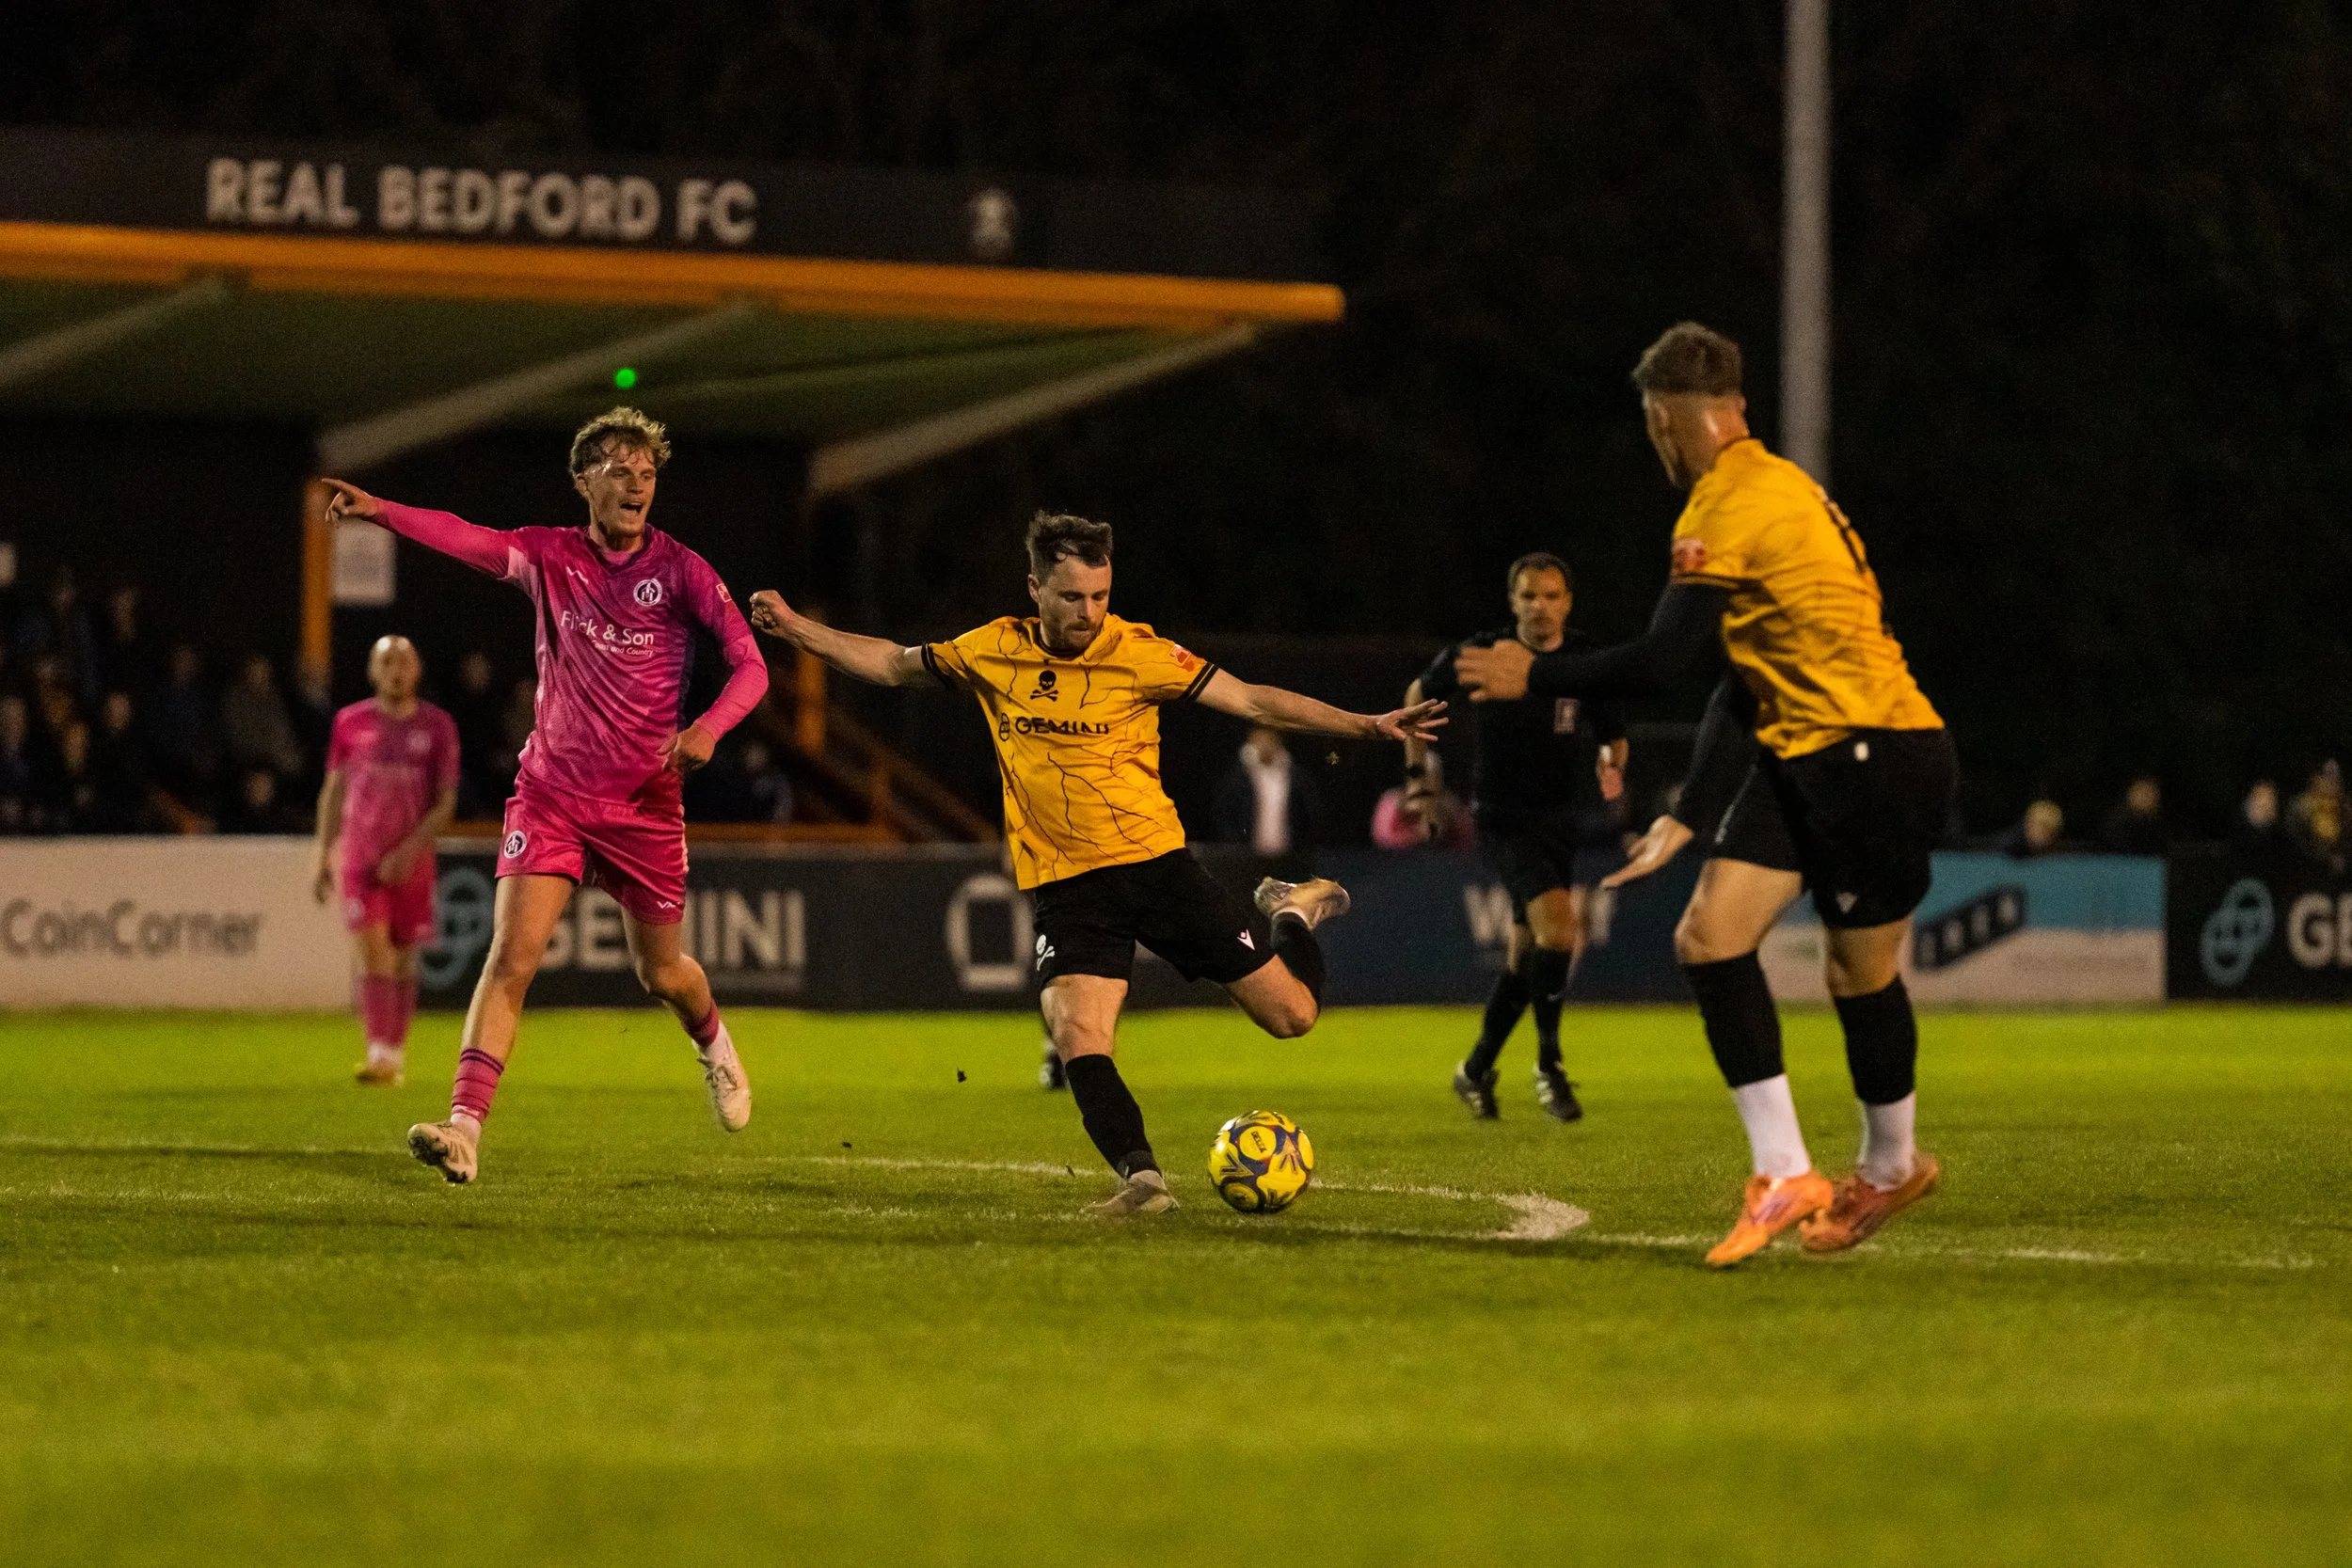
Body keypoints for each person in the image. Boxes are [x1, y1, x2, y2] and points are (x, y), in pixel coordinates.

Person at [748, 511, 1444, 1217]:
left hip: (1156, 868)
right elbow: (890, 663)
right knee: (1078, 1032)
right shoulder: (992, 650)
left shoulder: (1140, 654)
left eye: (1101, 595)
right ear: (1035, 588)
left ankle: (1293, 907)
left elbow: (1252, 698)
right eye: (1073, 596)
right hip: (1067, 885)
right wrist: (799, 629)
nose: (1090, 612)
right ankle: (1143, 1179)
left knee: (1293, 1017)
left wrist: (1367, 724)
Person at [1454, 322, 1957, 1265]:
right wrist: (1688, 809)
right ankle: (1787, 1174)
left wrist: (1540, 674)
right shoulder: (1777, 483)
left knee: (1860, 972)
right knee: (1710, 937)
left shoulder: (1722, 503)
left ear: (1662, 418)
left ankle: (1888, 1166)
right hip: (1818, 750)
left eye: (1651, 426)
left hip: (1869, 755)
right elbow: (1738, 674)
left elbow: (1662, 661)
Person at [320, 405, 771, 1184]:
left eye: (647, 473)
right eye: (620, 471)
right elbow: (465, 535)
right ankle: (463, 1128)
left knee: (661, 974)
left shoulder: (685, 570)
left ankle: (713, 1042)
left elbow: (752, 666)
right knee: (511, 958)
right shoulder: (547, 555)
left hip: (645, 805)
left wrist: (709, 729)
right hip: (552, 795)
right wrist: (382, 512)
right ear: (582, 482)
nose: (637, 484)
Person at [1410, 550, 1629, 1122]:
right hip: (1504, 820)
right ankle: (1549, 1065)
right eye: (1529, 596)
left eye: (1552, 596)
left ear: (1568, 603)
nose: (1541, 607)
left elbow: (1614, 734)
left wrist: (1612, 762)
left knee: (1525, 957)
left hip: (1560, 822)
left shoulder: (1582, 660)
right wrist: (1419, 782)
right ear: (1513, 603)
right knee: (1561, 930)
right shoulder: (1487, 654)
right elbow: (1417, 695)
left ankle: (1476, 1069)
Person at [310, 636, 461, 1087]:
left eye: (403, 661)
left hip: (412, 860)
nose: (396, 669)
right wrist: (323, 853)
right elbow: (334, 791)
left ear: (417, 670)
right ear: (373, 672)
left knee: (402, 956)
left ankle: (394, 1054)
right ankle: (378, 1052)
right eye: (386, 662)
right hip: (362, 857)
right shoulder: (349, 722)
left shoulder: (438, 726)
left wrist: (410, 850)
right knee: (373, 950)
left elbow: (445, 802)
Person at [1212, 723, 1323, 879]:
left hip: (1288, 860)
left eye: (1270, 739)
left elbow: (1310, 815)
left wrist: (1302, 850)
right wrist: (1236, 847)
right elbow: (1223, 814)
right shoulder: (1237, 776)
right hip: (1246, 860)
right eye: (1260, 739)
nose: (1265, 744)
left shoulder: (1296, 776)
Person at [221, 652, 306, 786]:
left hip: (277, 756)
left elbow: (283, 727)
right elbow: (237, 734)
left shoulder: (275, 696)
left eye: (263, 671)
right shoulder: (237, 698)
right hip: (251, 758)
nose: (260, 676)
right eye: (255, 671)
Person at [2286, 760, 2345, 875]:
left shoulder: (2346, 809)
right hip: (2304, 872)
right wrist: (2326, 859)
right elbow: (2294, 845)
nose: (2332, 782)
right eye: (2327, 776)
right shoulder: (2299, 808)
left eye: (2336, 778)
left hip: (2339, 879)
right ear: (2315, 779)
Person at [2098, 776, 2164, 855]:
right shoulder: (2115, 824)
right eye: (2141, 792)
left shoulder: (2161, 826)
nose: (2144, 797)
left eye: (2148, 793)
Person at [1998, 799, 2066, 859]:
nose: (2048, 836)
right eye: (2043, 829)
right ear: (2029, 825)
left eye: (2051, 832)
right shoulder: (2006, 850)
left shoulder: (2057, 856)